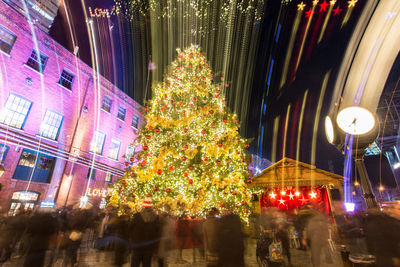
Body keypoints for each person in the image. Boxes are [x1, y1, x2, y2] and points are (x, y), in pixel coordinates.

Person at [130, 198, 161, 267]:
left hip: (137, 245)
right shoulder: (156, 217)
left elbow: (131, 228)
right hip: (149, 246)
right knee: (147, 263)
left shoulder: (136, 216)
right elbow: (157, 232)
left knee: (135, 263)